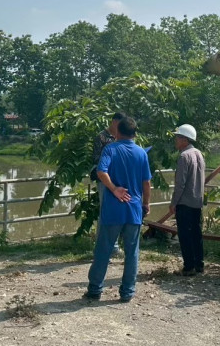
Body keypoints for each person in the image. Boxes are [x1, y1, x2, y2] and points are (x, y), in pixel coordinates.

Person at [84, 116, 152, 302]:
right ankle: (127, 292)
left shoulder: (110, 149)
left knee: (103, 249)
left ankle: (95, 289)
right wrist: (146, 204)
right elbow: (146, 183)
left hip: (113, 210)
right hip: (134, 209)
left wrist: (114, 189)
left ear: (117, 132)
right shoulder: (141, 153)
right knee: (132, 253)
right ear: (134, 134)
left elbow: (100, 171)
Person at [169, 124, 206, 276]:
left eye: (177, 137)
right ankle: (199, 265)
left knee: (184, 235)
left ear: (184, 139)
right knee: (196, 233)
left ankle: (188, 267)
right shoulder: (198, 154)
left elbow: (180, 184)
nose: (176, 141)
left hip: (184, 203)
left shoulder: (184, 156)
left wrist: (173, 202)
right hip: (197, 201)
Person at [91, 112, 125, 254]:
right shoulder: (101, 137)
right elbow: (96, 159)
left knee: (116, 211)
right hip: (105, 179)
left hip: (118, 179)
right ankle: (102, 246)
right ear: (114, 122)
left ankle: (114, 245)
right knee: (105, 211)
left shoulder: (122, 137)